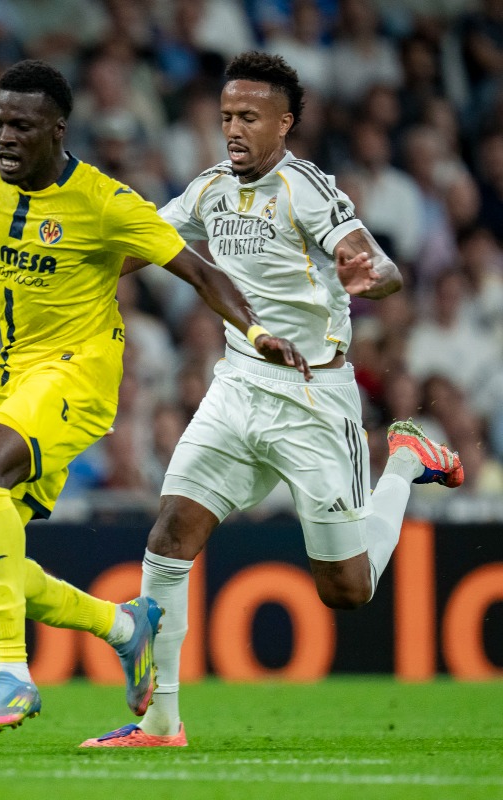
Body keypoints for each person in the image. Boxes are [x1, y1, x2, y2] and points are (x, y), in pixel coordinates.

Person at [0, 58, 311, 734]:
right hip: (16, 374)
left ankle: (13, 674)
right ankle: (124, 625)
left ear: (57, 130)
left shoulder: (106, 202)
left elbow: (199, 272)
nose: (6, 138)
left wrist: (255, 331)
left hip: (79, 374)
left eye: (22, 127)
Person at [79, 51, 465, 749]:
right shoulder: (208, 190)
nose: (233, 128)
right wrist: (73, 269)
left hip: (313, 400)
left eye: (250, 117)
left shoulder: (306, 188)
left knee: (348, 591)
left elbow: (381, 265)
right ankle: (161, 722)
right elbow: (145, 245)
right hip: (237, 385)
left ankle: (405, 462)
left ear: (284, 124)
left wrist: (368, 274)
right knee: (169, 534)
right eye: (227, 115)